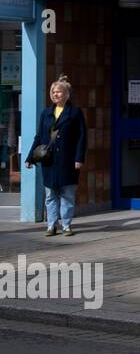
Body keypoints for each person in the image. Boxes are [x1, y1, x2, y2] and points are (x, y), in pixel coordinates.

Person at [25, 76, 87, 237]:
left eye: (59, 92)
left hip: (68, 160)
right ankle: (51, 225)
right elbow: (38, 137)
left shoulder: (75, 113)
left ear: (66, 94)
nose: (55, 94)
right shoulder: (46, 113)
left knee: (67, 194)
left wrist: (79, 158)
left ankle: (66, 225)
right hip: (49, 160)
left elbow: (82, 137)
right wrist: (30, 158)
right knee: (50, 195)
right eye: (53, 92)